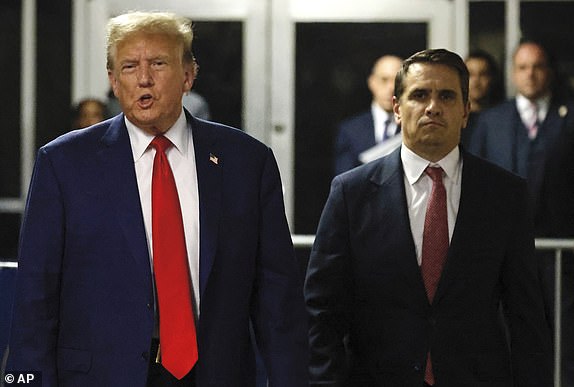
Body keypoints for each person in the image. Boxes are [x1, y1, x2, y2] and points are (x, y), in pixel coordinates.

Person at [6, 11, 307, 386]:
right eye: (129, 66)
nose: (143, 79)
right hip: (103, 376)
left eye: (158, 64)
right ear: (114, 82)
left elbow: (277, 297)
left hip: (215, 374)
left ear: (188, 75)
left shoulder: (246, 161)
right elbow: (36, 293)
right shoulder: (64, 164)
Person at [305, 48, 552, 386]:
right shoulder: (352, 193)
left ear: (466, 111)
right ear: (396, 107)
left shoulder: (505, 195)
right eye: (419, 95)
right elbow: (322, 310)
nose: (433, 107)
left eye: (446, 96)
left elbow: (527, 317)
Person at [468, 39, 574, 385]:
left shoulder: (569, 116)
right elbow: (476, 181)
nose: (530, 75)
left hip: (560, 252)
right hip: (503, 250)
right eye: (523, 67)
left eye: (538, 66)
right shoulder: (491, 120)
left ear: (550, 71)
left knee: (562, 335)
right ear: (513, 73)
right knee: (508, 334)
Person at [334, 55, 403, 175]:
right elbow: (344, 182)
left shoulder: (414, 128)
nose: (391, 88)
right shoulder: (350, 130)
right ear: (372, 82)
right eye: (384, 80)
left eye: (397, 81)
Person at [460, 49, 504, 146]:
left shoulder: (503, 119)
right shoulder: (455, 119)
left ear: (492, 78)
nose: (476, 81)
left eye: (483, 74)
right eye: (470, 74)